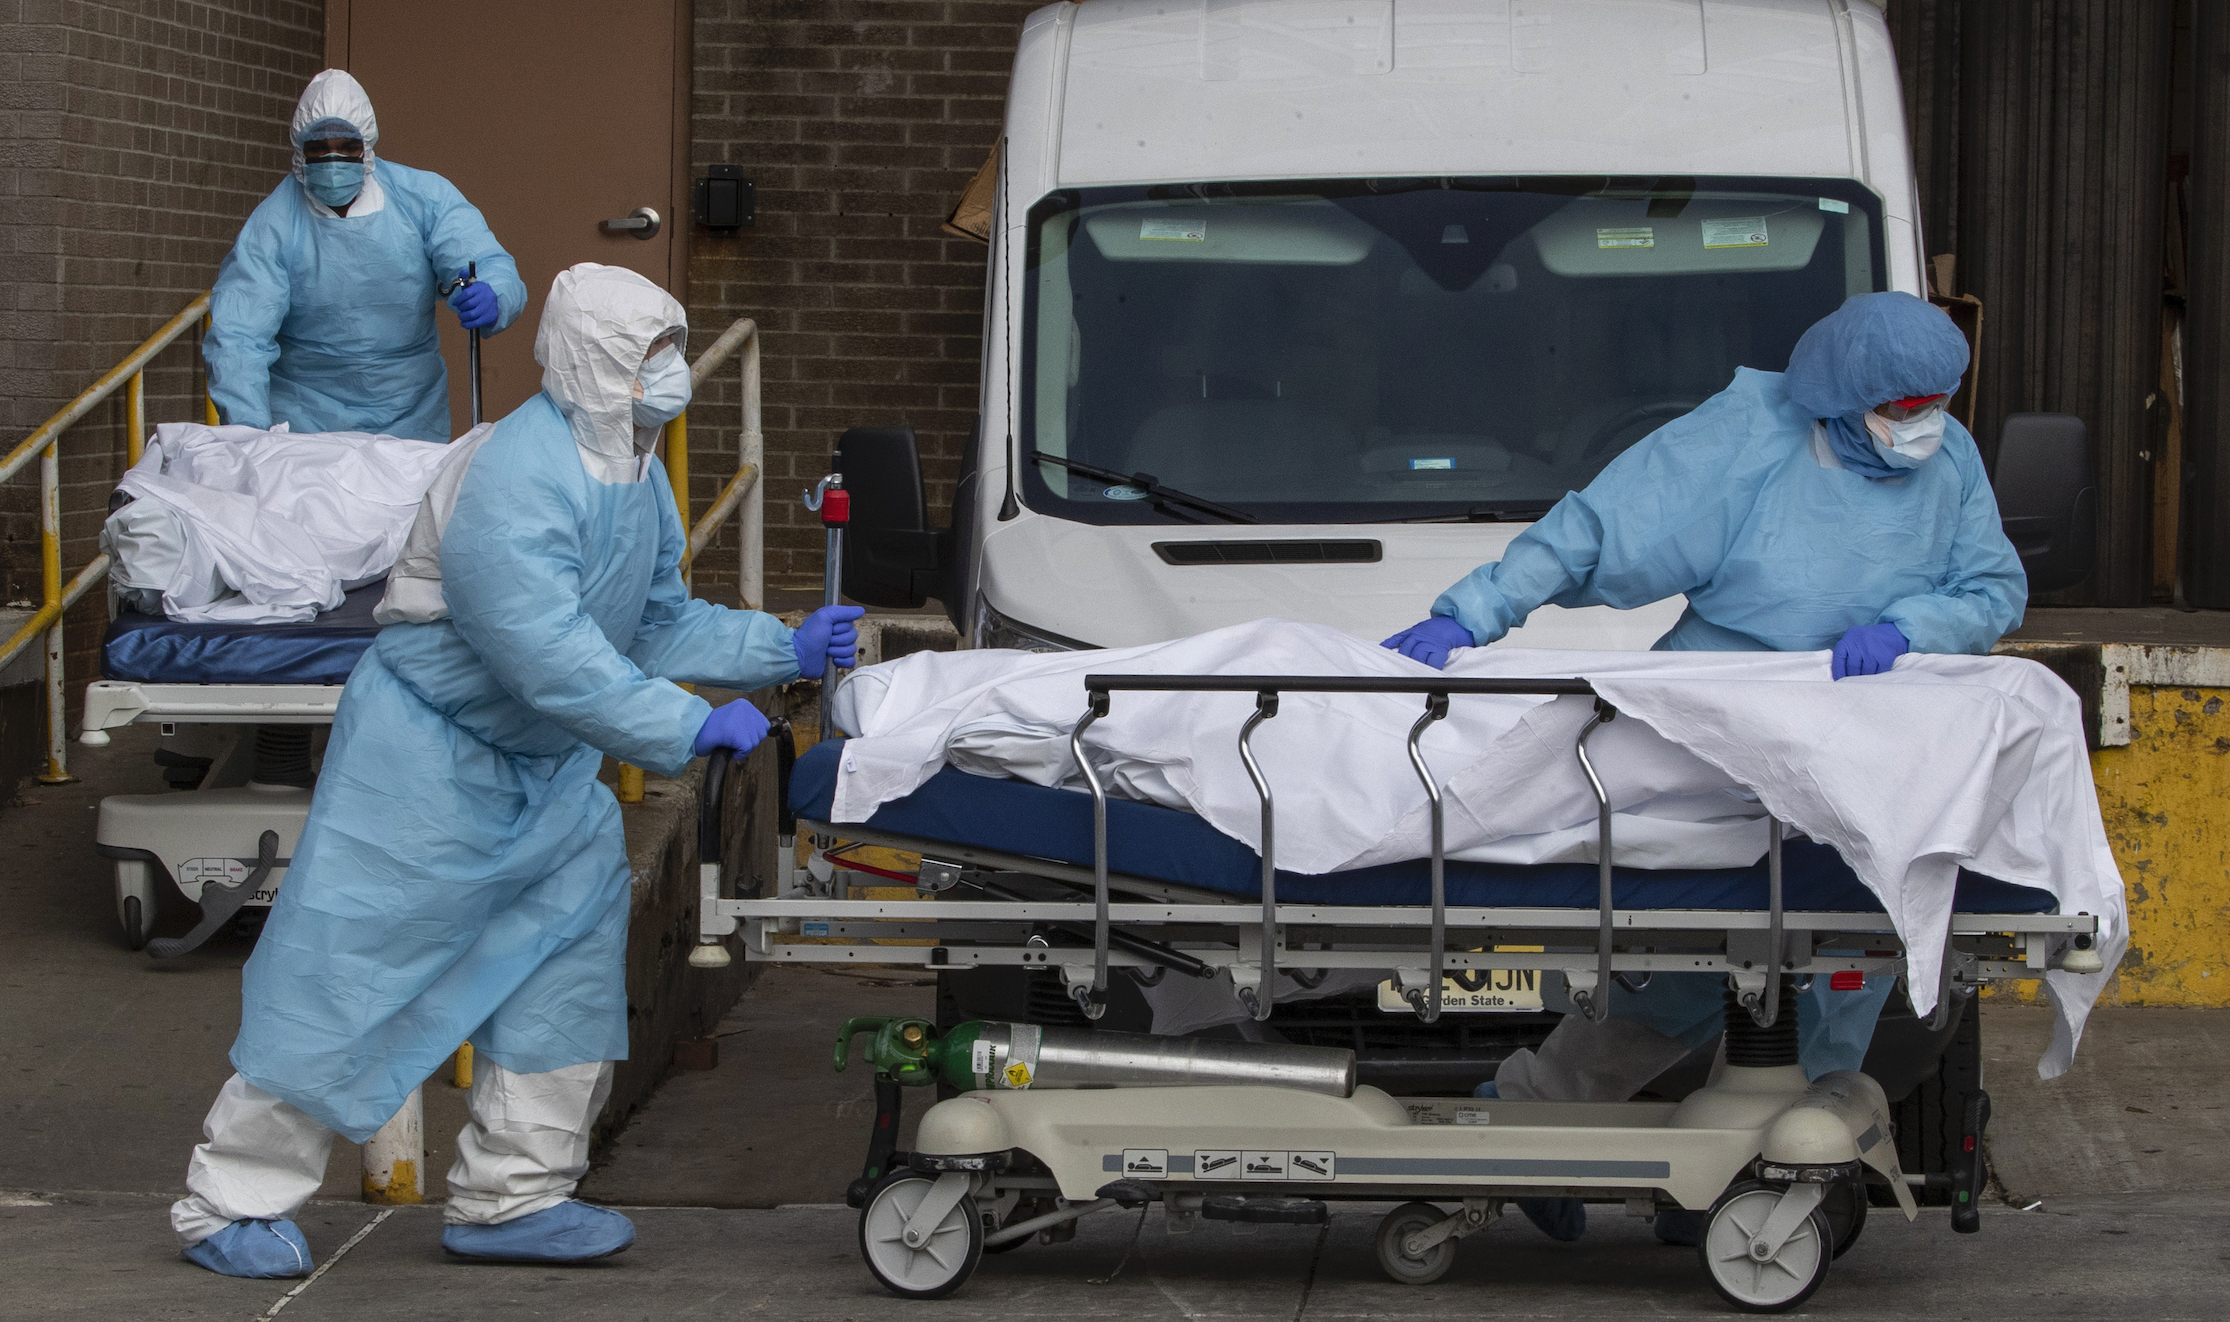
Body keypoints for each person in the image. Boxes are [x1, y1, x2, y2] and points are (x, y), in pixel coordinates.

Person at [170, 263, 866, 1278]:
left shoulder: (637, 469)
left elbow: (652, 619)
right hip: (428, 763)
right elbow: (545, 653)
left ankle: (516, 1194)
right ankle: (228, 1202)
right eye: (652, 354)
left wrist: (779, 646)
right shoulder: (513, 474)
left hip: (546, 772)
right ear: (596, 361)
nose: (672, 372)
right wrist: (684, 723)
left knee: (564, 981)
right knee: (349, 974)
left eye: (673, 349)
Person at [1382, 290, 2026, 1244]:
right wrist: (1472, 613)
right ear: (1841, 397)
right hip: (1720, 723)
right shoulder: (1751, 437)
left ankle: (1762, 1172)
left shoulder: (1950, 458)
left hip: (1865, 742)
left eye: (1937, 402)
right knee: (1686, 963)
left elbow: (1993, 587)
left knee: (1844, 963)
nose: (1922, 424)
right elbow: (1600, 528)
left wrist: (1910, 628)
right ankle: (1536, 1115)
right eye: (1901, 406)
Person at [203, 69, 528, 443]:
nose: (333, 160)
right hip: (305, 424)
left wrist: (493, 293)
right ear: (300, 151)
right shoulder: (274, 224)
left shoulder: (422, 199)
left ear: (367, 146)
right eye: (319, 148)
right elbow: (239, 337)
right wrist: (248, 435)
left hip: (410, 415)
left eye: (347, 146)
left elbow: (485, 261)